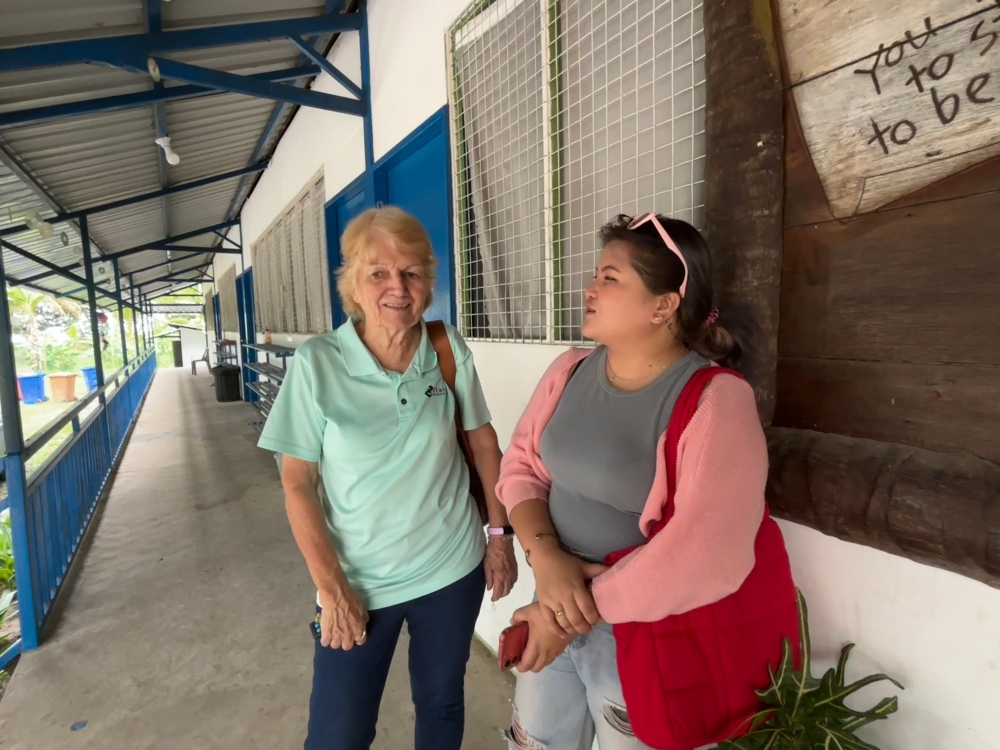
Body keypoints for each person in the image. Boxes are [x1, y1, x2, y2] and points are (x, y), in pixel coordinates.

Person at [497, 213, 798, 750]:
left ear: (664, 306)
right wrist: (544, 559)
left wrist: (564, 613)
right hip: (552, 594)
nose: (589, 288)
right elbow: (522, 467)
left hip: (641, 637)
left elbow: (704, 554)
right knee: (537, 742)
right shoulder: (569, 370)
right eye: (596, 274)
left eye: (610, 278)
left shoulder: (716, 400)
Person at [257, 206, 517, 750]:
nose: (397, 287)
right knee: (337, 733)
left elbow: (483, 442)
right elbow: (298, 483)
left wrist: (498, 537)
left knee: (441, 703)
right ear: (352, 282)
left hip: (450, 568)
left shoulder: (445, 349)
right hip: (357, 582)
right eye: (378, 272)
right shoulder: (317, 363)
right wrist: (332, 589)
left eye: (412, 273)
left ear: (428, 282)